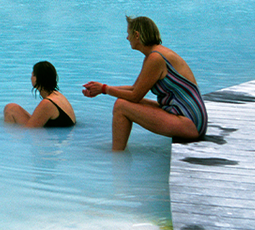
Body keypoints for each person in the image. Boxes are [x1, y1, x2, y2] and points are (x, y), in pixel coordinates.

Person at [83, 16, 207, 151]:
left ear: (136, 35)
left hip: (190, 124)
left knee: (121, 106)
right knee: (122, 101)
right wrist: (101, 88)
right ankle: (118, 153)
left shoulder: (156, 58)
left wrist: (105, 89)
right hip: (191, 119)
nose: (127, 38)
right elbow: (135, 88)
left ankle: (117, 159)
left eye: (128, 34)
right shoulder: (155, 54)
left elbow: (135, 96)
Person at [3, 61, 76, 128]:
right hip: (61, 133)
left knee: (10, 111)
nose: (31, 77)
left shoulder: (47, 104)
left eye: (33, 75)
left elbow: (29, 132)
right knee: (11, 108)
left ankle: (8, 139)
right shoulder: (57, 95)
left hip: (51, 139)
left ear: (38, 79)